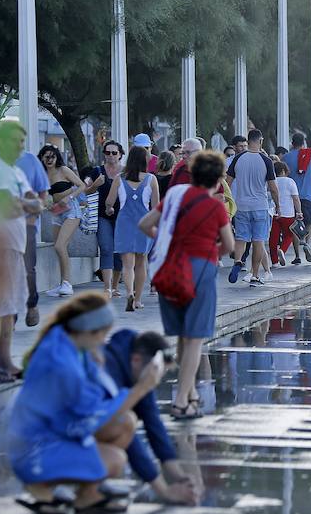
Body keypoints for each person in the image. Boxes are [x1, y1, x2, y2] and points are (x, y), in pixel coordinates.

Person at [8, 292, 164, 514]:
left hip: (50, 434)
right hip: (33, 452)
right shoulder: (62, 362)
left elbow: (103, 400)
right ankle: (40, 485)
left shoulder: (70, 343)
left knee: (126, 422)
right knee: (116, 460)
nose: (103, 341)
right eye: (102, 334)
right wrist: (142, 388)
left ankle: (87, 495)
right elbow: (94, 414)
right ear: (86, 331)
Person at [138, 151, 235, 419]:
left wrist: (168, 241)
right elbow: (228, 245)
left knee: (182, 336)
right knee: (194, 341)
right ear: (217, 179)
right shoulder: (215, 206)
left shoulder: (174, 196)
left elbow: (144, 224)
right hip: (200, 270)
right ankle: (181, 402)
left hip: (171, 268)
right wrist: (209, 250)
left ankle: (190, 392)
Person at [0, 120, 42, 382]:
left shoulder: (16, 171)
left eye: (22, 142)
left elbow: (36, 203)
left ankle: (5, 360)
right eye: (16, 141)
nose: (20, 147)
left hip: (15, 245)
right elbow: (10, 206)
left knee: (10, 306)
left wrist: (25, 203)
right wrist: (26, 203)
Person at [104, 330, 200, 505]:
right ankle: (87, 492)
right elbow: (125, 435)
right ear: (136, 360)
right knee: (124, 427)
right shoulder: (108, 369)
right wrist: (163, 491)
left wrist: (179, 476)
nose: (154, 383)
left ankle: (92, 487)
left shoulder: (135, 366)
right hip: (52, 445)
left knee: (125, 424)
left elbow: (154, 424)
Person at [108, 146, 159, 311]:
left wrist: (110, 209)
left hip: (124, 223)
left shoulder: (119, 178)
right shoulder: (151, 179)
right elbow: (156, 206)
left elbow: (109, 202)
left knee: (127, 264)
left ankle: (129, 292)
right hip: (144, 223)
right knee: (141, 262)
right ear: (144, 161)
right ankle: (137, 299)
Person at [226, 129, 279, 286]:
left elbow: (227, 182)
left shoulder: (238, 158)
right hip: (260, 206)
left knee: (241, 237)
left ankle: (237, 261)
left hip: (241, 205)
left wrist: (227, 202)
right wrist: (278, 205)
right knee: (258, 241)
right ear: (261, 141)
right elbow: (273, 188)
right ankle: (255, 274)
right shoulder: (266, 160)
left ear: (248, 141)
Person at [39, 144, 85, 297]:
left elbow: (81, 185)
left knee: (60, 245)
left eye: (52, 156)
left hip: (71, 209)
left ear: (57, 157)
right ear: (42, 158)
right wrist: (46, 203)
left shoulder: (63, 170)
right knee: (59, 248)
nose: (50, 159)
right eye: (46, 157)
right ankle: (63, 283)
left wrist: (69, 197)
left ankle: (67, 284)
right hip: (57, 211)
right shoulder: (43, 174)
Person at [12, 149, 51, 327]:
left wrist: (34, 215)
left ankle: (31, 304)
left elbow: (42, 191)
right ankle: (9, 313)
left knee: (28, 268)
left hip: (27, 225)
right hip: (2, 228)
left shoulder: (30, 161)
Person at [85, 141, 124, 298]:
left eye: (114, 153)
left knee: (119, 251)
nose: (111, 156)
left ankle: (115, 286)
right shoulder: (97, 172)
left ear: (120, 154)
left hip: (122, 217)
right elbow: (86, 190)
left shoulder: (126, 172)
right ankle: (107, 287)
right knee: (106, 248)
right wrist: (95, 184)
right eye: (108, 153)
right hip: (103, 216)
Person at [281, 132, 311, 261]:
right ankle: (306, 242)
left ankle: (297, 255)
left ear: (292, 143)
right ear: (303, 143)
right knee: (310, 222)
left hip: (291, 196)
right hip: (307, 196)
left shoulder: (286, 157)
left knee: (295, 224)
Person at [269, 161, 302, 266]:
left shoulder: (270, 181)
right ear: (283, 171)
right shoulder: (290, 181)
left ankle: (274, 262)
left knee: (273, 238)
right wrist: (299, 212)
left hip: (274, 213)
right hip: (288, 214)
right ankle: (282, 250)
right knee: (289, 235)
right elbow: (296, 199)